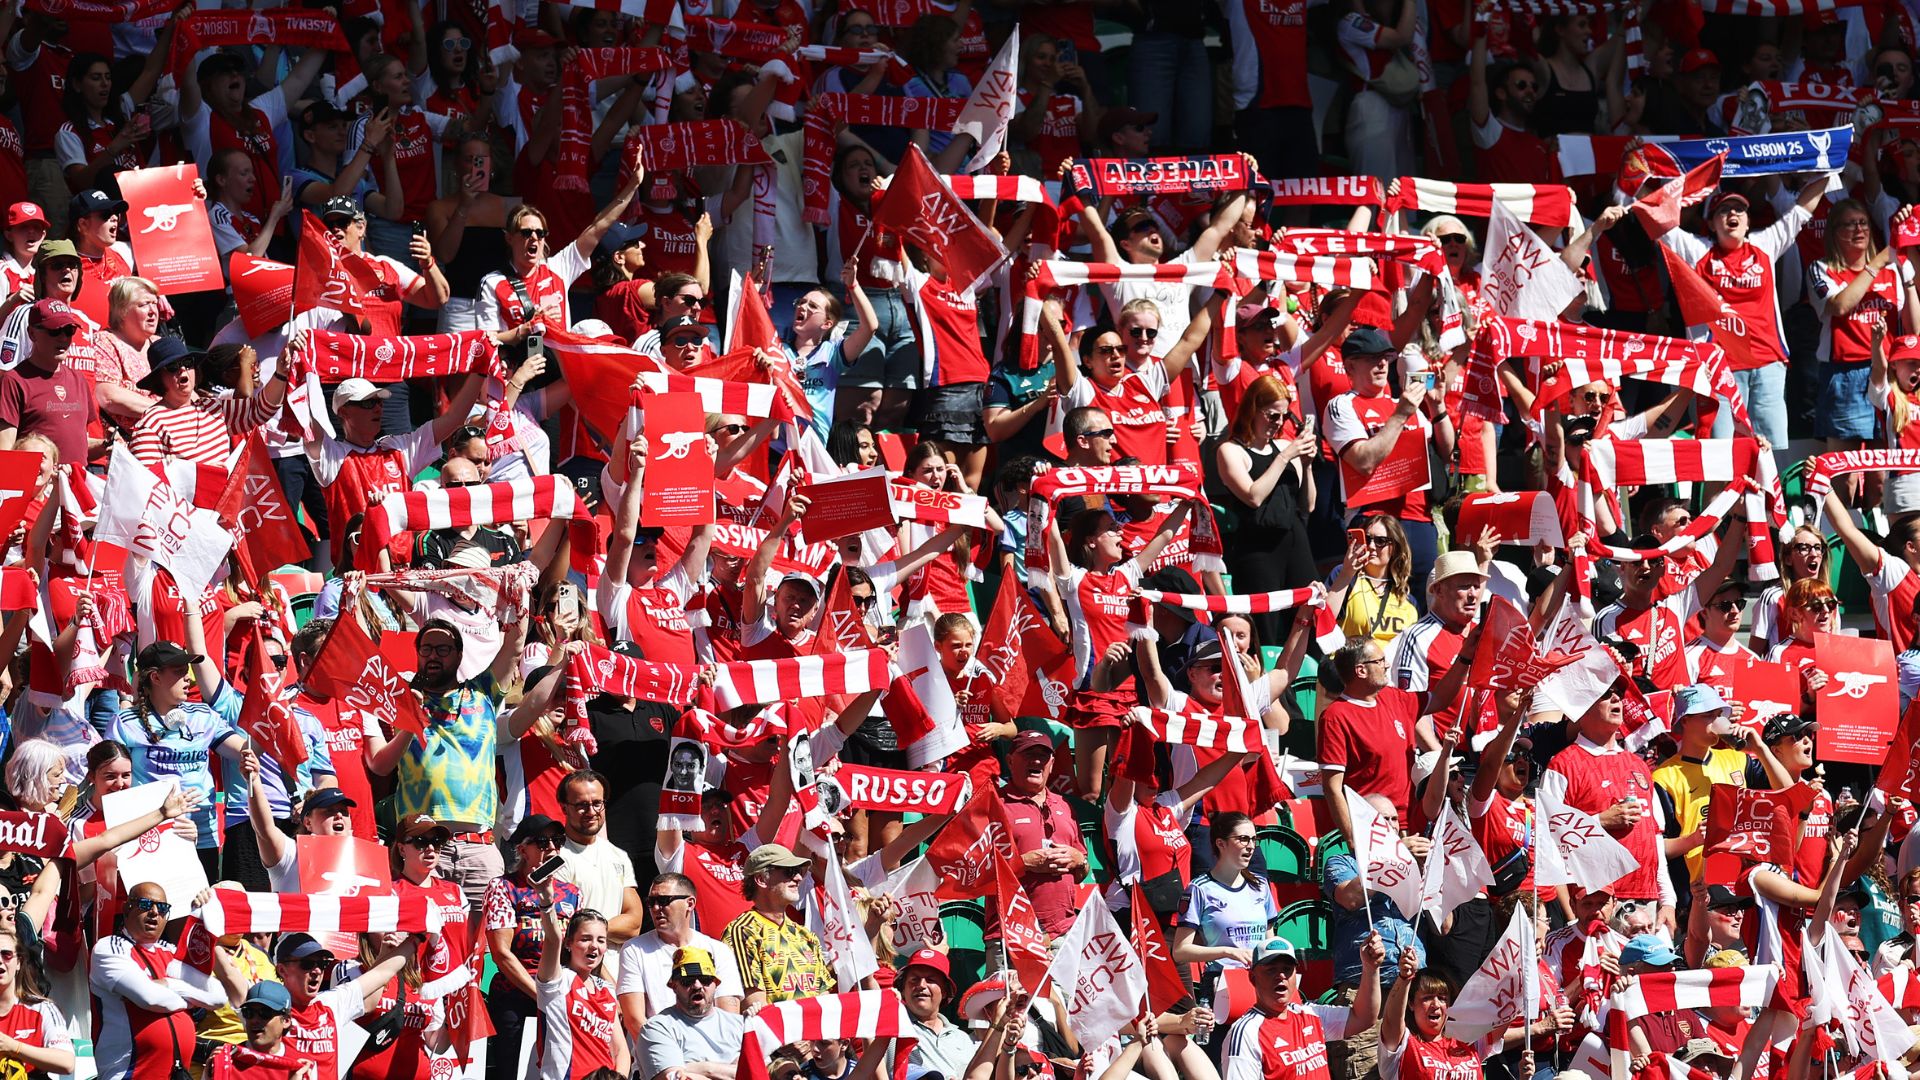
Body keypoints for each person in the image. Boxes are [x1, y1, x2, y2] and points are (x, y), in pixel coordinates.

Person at [90, 882, 231, 1080]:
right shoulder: (109, 947)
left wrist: (169, 985)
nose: (155, 912)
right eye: (146, 904)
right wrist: (193, 1000)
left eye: (162, 908)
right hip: (131, 1074)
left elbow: (218, 997)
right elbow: (150, 998)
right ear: (127, 909)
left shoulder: (171, 951)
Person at [481, 814, 581, 1080]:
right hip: (517, 996)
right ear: (523, 850)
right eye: (543, 842)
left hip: (560, 996)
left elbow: (578, 950)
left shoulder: (572, 893)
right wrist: (541, 996)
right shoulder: (503, 887)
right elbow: (502, 953)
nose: (552, 848)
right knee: (516, 1073)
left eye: (557, 841)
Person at [1222, 935, 1382, 1080]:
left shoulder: (1310, 1014)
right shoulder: (1246, 1033)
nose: (1281, 976)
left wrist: (1370, 968)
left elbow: (1363, 1018)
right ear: (1253, 978)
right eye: (1271, 970)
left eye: (1287, 969)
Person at [616, 873, 744, 1030]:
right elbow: (634, 1020)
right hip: (656, 1042)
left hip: (710, 1043)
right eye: (651, 902)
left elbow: (729, 1018)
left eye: (663, 901)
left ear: (689, 904)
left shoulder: (719, 951)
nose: (655, 908)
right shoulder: (634, 949)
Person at [721, 845, 834, 1009]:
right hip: (776, 1025)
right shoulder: (744, 931)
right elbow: (755, 1004)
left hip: (815, 1024)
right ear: (761, 879)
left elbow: (825, 998)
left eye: (798, 871)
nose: (798, 878)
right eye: (789, 872)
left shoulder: (805, 936)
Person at [534, 899, 629, 1080]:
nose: (594, 946)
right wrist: (546, 902)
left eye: (601, 940)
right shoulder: (557, 981)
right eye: (585, 939)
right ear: (568, 943)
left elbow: (620, 1050)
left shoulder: (607, 989)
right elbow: (553, 939)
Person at [634, 947, 745, 1080]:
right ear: (674, 986)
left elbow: (762, 1072)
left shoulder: (740, 1025)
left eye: (705, 979)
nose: (697, 986)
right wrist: (736, 1070)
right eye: (688, 981)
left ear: (716, 983)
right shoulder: (657, 1028)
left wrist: (700, 1069)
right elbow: (672, 1077)